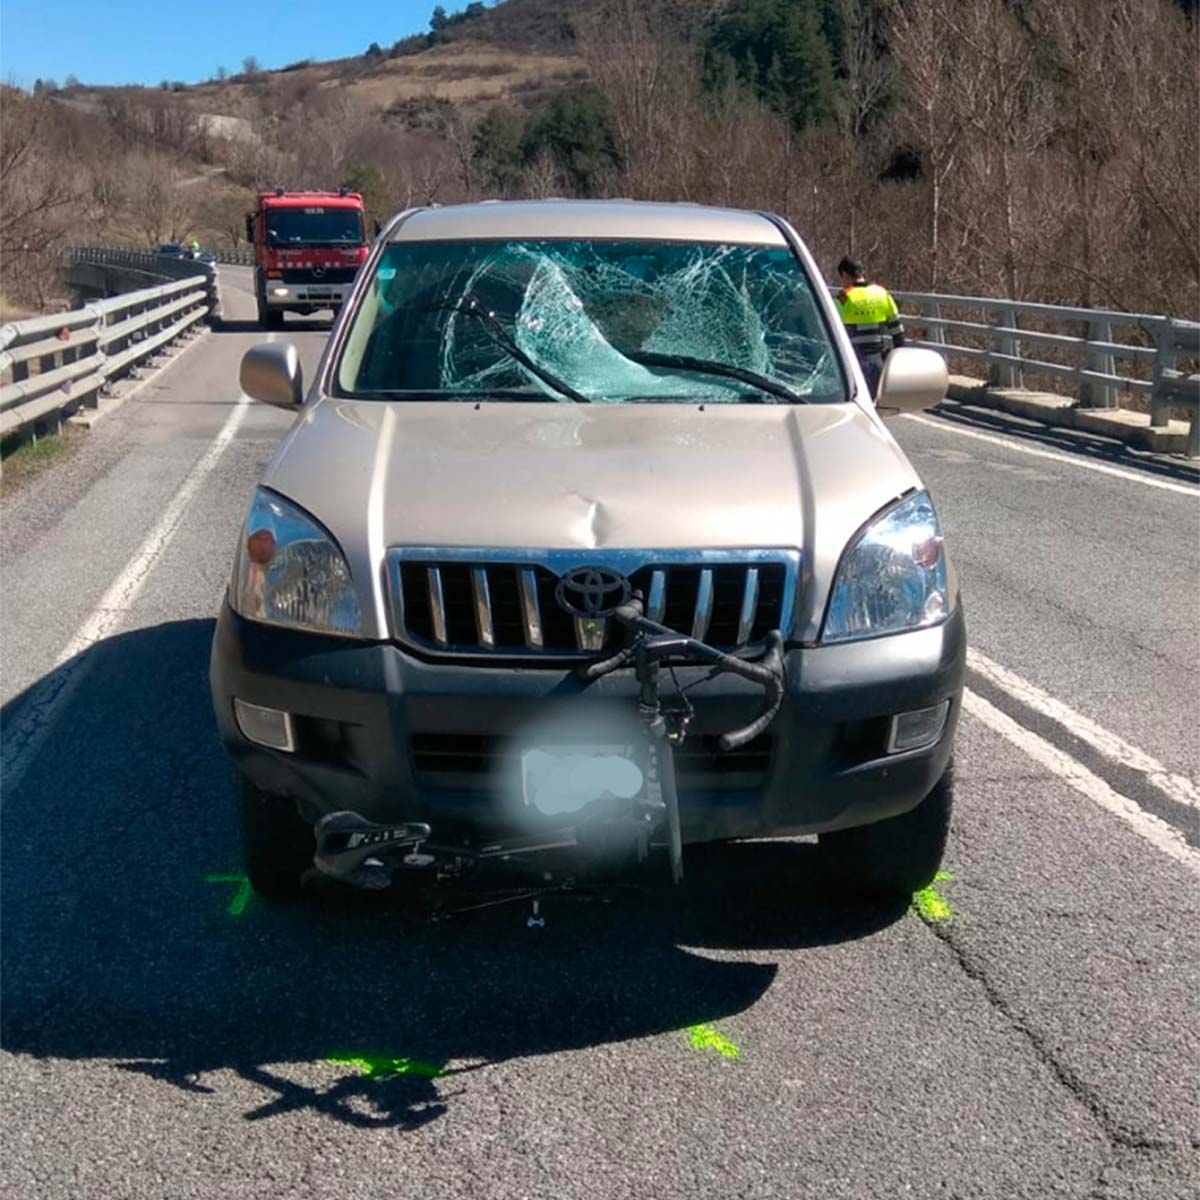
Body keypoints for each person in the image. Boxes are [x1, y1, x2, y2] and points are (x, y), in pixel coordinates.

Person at [833, 255, 905, 400]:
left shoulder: (843, 298)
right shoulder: (881, 294)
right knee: (875, 405)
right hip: (878, 361)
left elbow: (833, 331)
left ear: (845, 275)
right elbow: (897, 332)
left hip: (854, 363)